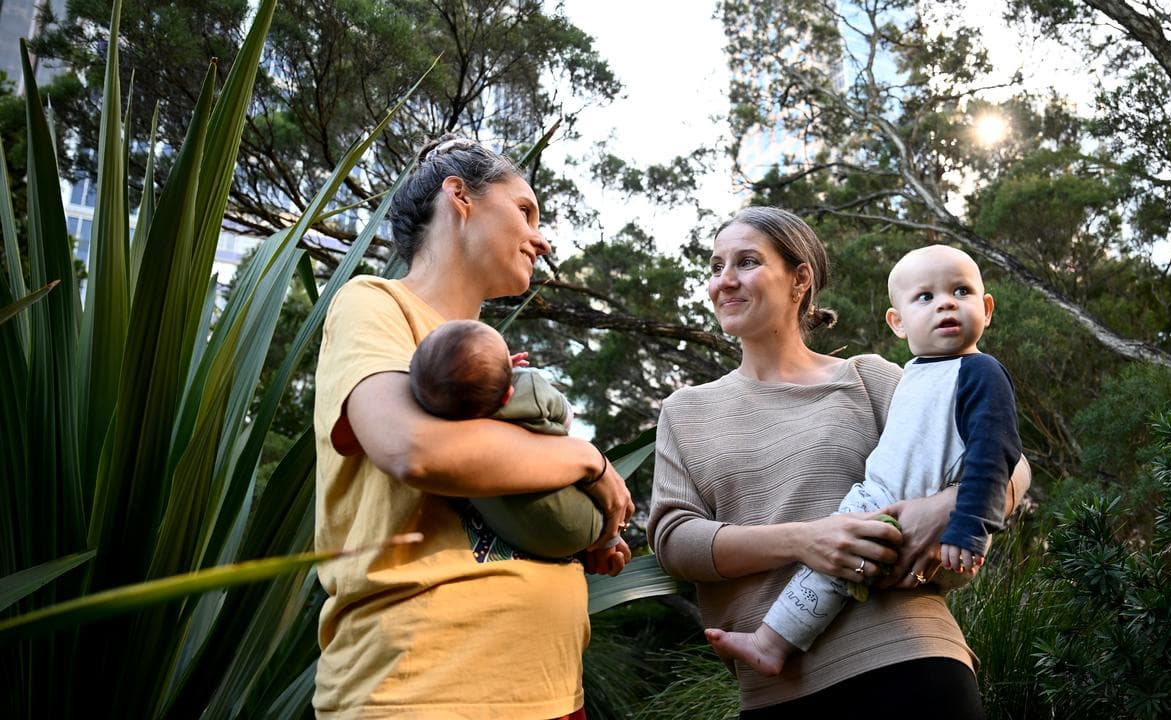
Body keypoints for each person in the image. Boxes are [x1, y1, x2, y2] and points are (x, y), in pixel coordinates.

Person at [647, 206, 1030, 718]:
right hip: (780, 687)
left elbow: (1011, 464)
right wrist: (807, 539)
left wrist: (942, 507)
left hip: (911, 658)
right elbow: (675, 542)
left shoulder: (869, 378)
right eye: (717, 266)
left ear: (800, 278)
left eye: (746, 262)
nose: (725, 281)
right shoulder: (686, 411)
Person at [313, 133, 633, 719]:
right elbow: (412, 447)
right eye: (525, 210)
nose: (542, 237)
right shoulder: (376, 303)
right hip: (428, 688)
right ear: (459, 196)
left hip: (549, 688)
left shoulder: (496, 368)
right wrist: (591, 462)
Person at [705, 244, 1021, 677]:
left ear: (986, 309)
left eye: (961, 291)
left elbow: (998, 453)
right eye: (924, 297)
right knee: (839, 560)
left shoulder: (979, 371)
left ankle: (770, 643)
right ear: (897, 322)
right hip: (886, 505)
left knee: (836, 559)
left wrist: (965, 524)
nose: (946, 302)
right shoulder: (914, 373)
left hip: (928, 526)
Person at [408, 318, 606, 558]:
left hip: (523, 538)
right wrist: (515, 376)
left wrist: (493, 377)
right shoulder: (528, 386)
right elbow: (565, 416)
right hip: (584, 521)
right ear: (507, 396)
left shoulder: (447, 436)